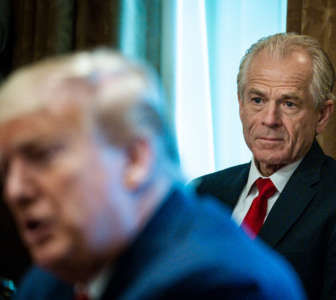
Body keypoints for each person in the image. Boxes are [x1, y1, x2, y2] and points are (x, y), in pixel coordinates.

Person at [0, 50, 306, 300]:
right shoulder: (53, 277)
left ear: (135, 159)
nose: (15, 190)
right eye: (5, 169)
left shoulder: (221, 283)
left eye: (42, 157)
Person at [192, 32, 336, 300]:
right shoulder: (203, 191)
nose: (270, 119)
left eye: (289, 103)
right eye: (257, 100)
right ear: (241, 105)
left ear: (322, 115)